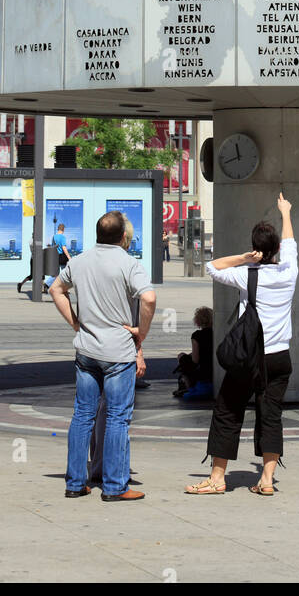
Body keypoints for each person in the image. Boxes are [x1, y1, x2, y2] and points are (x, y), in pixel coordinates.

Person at [186, 194, 297, 497]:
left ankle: (217, 477)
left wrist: (245, 258)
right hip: (279, 359)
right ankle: (267, 479)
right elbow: (290, 242)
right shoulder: (290, 272)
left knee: (227, 410)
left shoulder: (246, 275)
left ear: (257, 248)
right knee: (271, 415)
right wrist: (285, 212)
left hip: (249, 360)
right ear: (275, 249)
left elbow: (212, 266)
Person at [50, 210, 156, 501]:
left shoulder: (79, 261)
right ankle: (114, 486)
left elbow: (55, 289)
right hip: (118, 353)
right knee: (118, 418)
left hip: (86, 350)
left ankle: (75, 483)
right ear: (123, 236)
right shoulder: (129, 264)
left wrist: (74, 322)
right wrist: (140, 332)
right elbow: (148, 298)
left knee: (82, 415)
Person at [174, 306, 214, 399]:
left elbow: (195, 360)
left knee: (182, 356)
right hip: (214, 368)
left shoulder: (197, 335)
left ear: (197, 321)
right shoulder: (217, 332)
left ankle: (188, 386)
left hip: (203, 371)